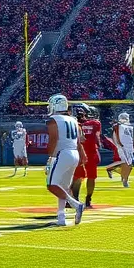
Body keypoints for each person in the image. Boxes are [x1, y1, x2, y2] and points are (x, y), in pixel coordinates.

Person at [43, 94, 85, 228]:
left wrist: (50, 156)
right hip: (74, 153)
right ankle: (61, 216)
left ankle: (76, 204)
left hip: (62, 154)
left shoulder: (53, 119)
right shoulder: (73, 120)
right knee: (63, 186)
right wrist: (82, 156)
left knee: (52, 185)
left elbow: (53, 139)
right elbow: (79, 141)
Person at [70, 104, 102, 207]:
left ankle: (74, 199)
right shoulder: (95, 123)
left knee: (76, 177)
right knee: (91, 177)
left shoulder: (72, 123)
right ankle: (88, 200)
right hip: (91, 153)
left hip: (77, 153)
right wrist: (99, 144)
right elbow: (97, 137)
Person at [104, 112, 134, 187]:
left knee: (129, 165)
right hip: (123, 146)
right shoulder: (118, 125)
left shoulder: (130, 126)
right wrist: (119, 142)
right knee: (126, 163)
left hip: (129, 146)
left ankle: (123, 177)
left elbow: (132, 136)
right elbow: (116, 133)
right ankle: (124, 180)